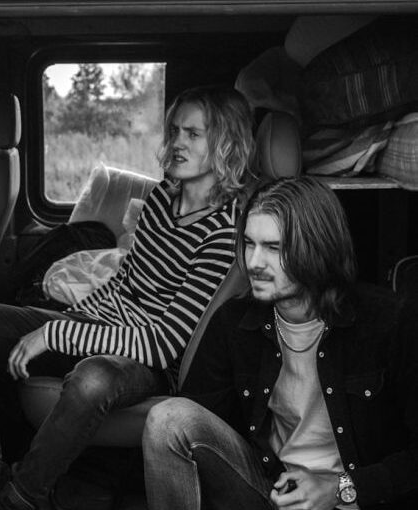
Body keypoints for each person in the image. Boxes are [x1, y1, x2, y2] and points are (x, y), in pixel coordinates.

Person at [0, 85, 255, 510]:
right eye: (174, 130)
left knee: (92, 380)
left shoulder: (224, 231)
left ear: (226, 143)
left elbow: (165, 342)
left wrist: (58, 335)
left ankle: (22, 498)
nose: (176, 143)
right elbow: (124, 283)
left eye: (193, 134)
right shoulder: (160, 198)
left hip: (150, 360)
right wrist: (72, 320)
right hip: (104, 328)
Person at [142, 177, 418, 510]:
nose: (255, 262)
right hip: (269, 489)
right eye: (248, 243)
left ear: (319, 247)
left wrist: (343, 488)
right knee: (168, 418)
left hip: (353, 497)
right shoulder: (234, 322)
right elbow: (202, 429)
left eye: (273, 248)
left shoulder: (389, 321)